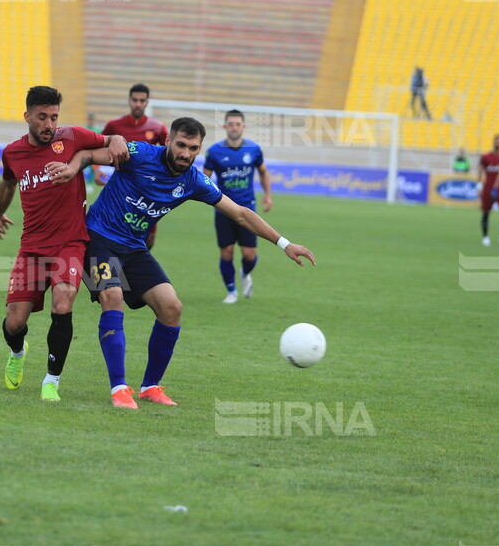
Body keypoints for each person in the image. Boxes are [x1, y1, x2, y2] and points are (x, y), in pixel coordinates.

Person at [48, 117, 315, 409]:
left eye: (193, 148)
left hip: (135, 249)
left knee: (172, 307)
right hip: (98, 238)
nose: (186, 153)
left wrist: (284, 243)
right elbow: (88, 155)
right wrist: (73, 167)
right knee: (112, 296)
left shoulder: (193, 180)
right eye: (181, 145)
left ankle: (150, 387)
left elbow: (239, 213)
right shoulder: (138, 154)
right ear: (168, 141)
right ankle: (119, 389)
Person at [0, 86, 128, 402]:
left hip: (70, 242)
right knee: (14, 323)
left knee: (64, 300)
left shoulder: (72, 137)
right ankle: (17, 352)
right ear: (27, 116)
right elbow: (7, 182)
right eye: (42, 117)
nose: (49, 124)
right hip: (32, 247)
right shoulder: (13, 152)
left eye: (54, 117)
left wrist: (117, 139)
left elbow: (111, 142)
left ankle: (51, 381)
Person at [202, 109, 273, 304]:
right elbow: (204, 177)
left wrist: (267, 195)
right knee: (227, 252)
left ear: (243, 126)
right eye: (230, 124)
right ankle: (231, 291)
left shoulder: (254, 150)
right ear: (225, 126)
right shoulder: (214, 151)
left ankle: (244, 272)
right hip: (223, 208)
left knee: (249, 255)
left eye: (237, 124)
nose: (234, 127)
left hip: (248, 208)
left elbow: (264, 172)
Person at [102, 83, 169, 248]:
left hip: (147, 193)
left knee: (148, 241)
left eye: (142, 100)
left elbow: (169, 155)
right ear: (129, 101)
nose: (138, 104)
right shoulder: (114, 126)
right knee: (117, 235)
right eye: (135, 100)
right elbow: (96, 146)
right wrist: (96, 170)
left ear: (147, 102)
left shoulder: (157, 127)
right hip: (120, 189)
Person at [477, 134, 499, 247]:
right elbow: (480, 171)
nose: (498, 143)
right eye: (496, 140)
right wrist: (479, 186)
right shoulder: (486, 157)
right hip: (488, 188)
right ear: (493, 142)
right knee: (486, 212)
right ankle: (485, 237)